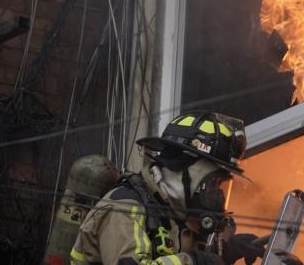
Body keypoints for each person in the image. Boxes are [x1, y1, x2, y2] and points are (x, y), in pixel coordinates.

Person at [70, 111, 266, 265]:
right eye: (212, 182)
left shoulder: (173, 214)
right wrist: (193, 262)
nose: (216, 193)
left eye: (219, 184)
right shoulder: (125, 208)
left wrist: (225, 253)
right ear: (182, 172)